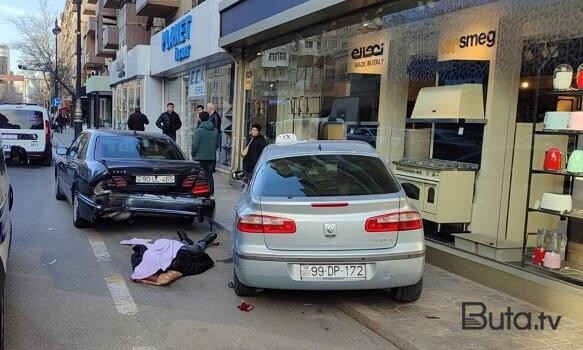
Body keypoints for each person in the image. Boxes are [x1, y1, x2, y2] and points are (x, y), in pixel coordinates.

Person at [191, 111, 218, 194]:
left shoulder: (198, 131)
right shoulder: (215, 130)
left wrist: (193, 153)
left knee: (198, 176)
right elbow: (217, 144)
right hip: (211, 157)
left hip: (199, 157)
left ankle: (200, 192)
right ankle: (211, 192)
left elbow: (195, 145)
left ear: (200, 118)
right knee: (209, 175)